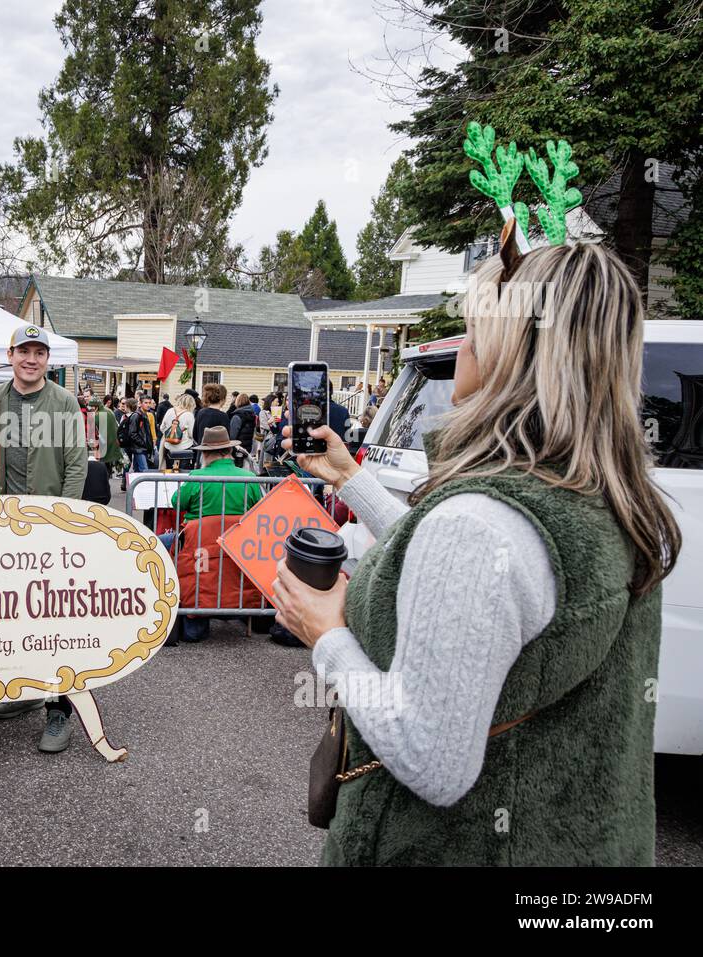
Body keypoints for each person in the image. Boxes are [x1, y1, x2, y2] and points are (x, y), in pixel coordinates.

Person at [272, 238, 681, 866]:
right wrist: (351, 478)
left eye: (472, 328)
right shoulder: (607, 495)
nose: (461, 346)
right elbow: (470, 567)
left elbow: (431, 759)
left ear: (510, 353)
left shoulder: (478, 524)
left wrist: (326, 633)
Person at [0, 324, 88, 754]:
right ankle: (21, 692)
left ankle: (59, 709)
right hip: (4, 531)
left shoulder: (64, 403)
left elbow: (76, 466)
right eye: (24, 351)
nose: (31, 359)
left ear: (48, 359)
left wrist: (61, 523)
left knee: (56, 620)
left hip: (50, 530)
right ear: (10, 354)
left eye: (39, 352)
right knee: (11, 616)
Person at [158, 425, 263, 642]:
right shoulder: (248, 478)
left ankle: (165, 607)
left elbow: (177, 502)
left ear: (205, 453)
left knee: (155, 544)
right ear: (229, 451)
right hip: (237, 550)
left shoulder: (197, 476)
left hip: (198, 552)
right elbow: (260, 511)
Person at [159, 391, 196, 469]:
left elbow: (162, 427)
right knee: (182, 473)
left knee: (169, 470)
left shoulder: (170, 411)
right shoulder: (189, 415)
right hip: (184, 447)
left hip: (169, 446)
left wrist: (170, 434)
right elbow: (191, 434)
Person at [192, 381, 230, 447]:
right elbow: (227, 438)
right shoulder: (223, 416)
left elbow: (195, 435)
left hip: (202, 452)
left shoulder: (200, 412)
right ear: (222, 399)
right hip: (216, 454)